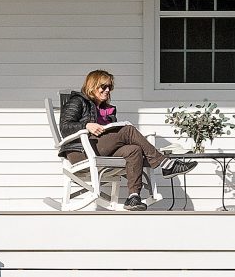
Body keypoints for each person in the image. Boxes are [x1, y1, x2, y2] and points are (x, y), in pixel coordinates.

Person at [60, 69, 164, 209]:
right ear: (92, 85)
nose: (107, 90)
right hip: (80, 151)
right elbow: (65, 127)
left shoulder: (107, 109)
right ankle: (164, 162)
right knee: (128, 130)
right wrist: (86, 125)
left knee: (134, 150)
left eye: (110, 87)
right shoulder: (77, 101)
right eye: (103, 86)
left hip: (99, 148)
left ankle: (133, 197)